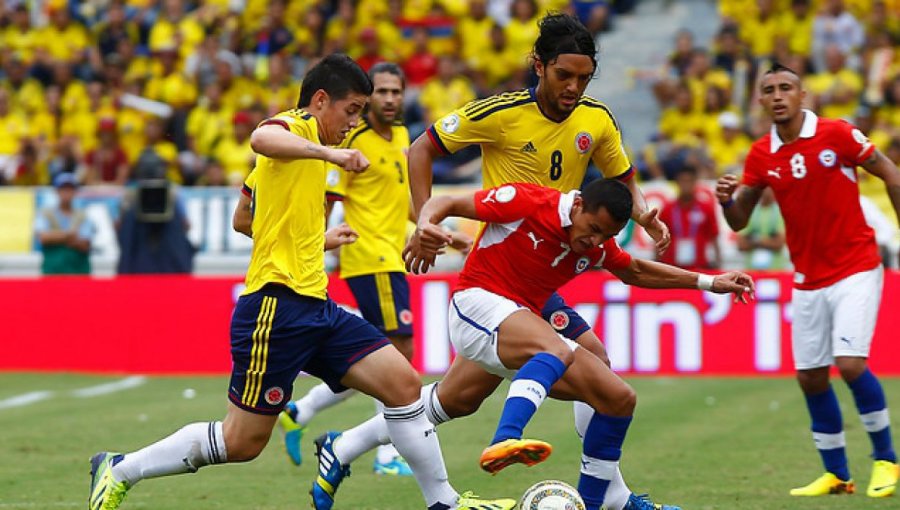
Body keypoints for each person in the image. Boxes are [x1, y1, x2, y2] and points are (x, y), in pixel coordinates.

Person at [88, 53, 514, 510]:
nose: (355, 122)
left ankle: (444, 503)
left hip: (316, 303)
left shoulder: (310, 152)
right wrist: (329, 153)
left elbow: (243, 217)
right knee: (242, 442)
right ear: (320, 99)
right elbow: (260, 136)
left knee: (403, 384)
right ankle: (120, 468)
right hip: (275, 308)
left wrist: (316, 238)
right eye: (351, 111)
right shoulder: (297, 127)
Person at [313, 179, 754, 510]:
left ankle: (343, 446)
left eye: (605, 236)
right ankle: (507, 438)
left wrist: (711, 282)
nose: (594, 241)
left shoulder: (597, 242)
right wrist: (427, 225)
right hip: (477, 303)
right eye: (592, 228)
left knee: (617, 397)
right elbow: (449, 200)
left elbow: (636, 271)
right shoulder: (530, 202)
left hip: (524, 317)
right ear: (578, 204)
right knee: (557, 351)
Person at [405, 12, 675, 510]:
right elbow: (421, 148)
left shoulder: (596, 119)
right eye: (563, 76)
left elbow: (622, 178)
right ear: (538, 65)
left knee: (465, 398)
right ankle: (608, 495)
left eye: (584, 78)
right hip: (502, 269)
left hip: (551, 265)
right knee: (574, 366)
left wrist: (643, 214)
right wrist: (423, 221)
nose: (574, 88)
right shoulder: (499, 112)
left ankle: (344, 445)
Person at [716, 63, 900, 498]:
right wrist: (726, 201)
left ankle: (887, 461)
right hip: (807, 278)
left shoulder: (837, 134)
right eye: (769, 90)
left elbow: (890, 172)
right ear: (760, 101)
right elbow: (740, 221)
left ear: (803, 96)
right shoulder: (761, 154)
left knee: (851, 364)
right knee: (811, 377)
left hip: (856, 265)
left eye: (786, 88)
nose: (778, 95)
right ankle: (837, 474)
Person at [276, 62, 470, 475]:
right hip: (368, 256)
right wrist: (319, 245)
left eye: (395, 92)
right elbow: (326, 198)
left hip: (394, 253)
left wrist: (442, 232)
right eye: (380, 91)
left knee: (377, 359)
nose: (388, 99)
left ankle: (302, 410)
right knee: (398, 357)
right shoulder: (352, 139)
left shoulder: (402, 137)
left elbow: (403, 204)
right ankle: (386, 454)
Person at [658, 164, 720, 271]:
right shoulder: (667, 209)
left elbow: (713, 236)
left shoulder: (706, 208)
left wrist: (718, 261)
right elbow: (658, 237)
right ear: (677, 182)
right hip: (672, 267)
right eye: (683, 181)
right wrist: (657, 261)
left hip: (699, 267)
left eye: (689, 181)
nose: (686, 185)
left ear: (695, 182)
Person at [34, 173, 94, 275]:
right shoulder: (46, 213)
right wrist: (69, 235)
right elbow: (43, 238)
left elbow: (85, 244)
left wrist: (56, 237)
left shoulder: (83, 215)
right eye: (63, 189)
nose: (66, 193)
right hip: (53, 272)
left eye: (70, 189)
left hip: (78, 272)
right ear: (57, 191)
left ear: (75, 192)